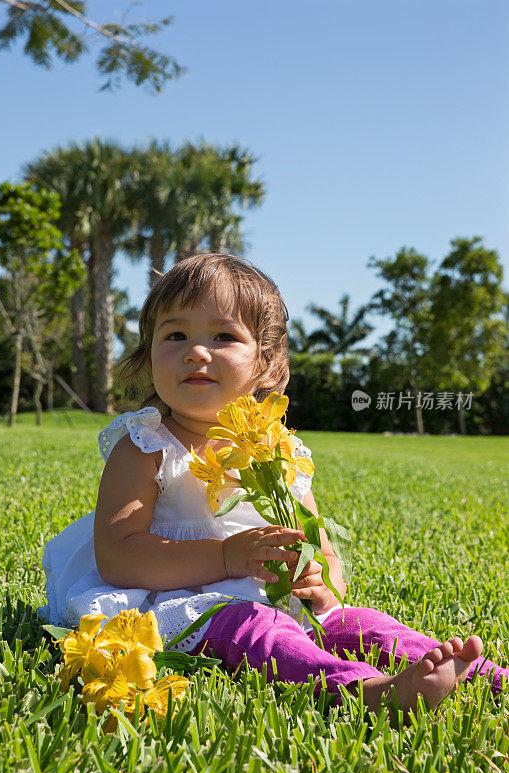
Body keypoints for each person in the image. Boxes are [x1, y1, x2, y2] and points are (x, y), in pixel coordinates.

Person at [39, 253, 507, 717]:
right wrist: (224, 557)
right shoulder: (145, 444)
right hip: (183, 601)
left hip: (274, 595)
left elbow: (318, 545)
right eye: (175, 334)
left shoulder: (278, 449)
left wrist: (322, 583)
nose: (196, 351)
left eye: (223, 336)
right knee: (260, 634)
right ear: (148, 355)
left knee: (361, 624)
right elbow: (119, 555)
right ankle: (366, 692)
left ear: (265, 362)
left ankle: (480, 674)